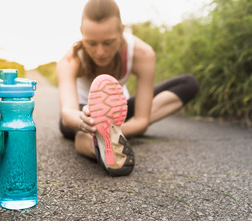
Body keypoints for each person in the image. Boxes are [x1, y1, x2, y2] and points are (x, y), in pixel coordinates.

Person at [56, 0, 199, 176]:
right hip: (82, 117)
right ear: (81, 33)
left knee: (188, 83)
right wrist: (85, 123)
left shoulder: (142, 53)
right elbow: (66, 114)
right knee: (84, 131)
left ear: (122, 30)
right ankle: (99, 146)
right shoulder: (70, 60)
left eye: (108, 43)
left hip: (118, 115)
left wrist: (112, 128)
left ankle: (108, 137)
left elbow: (141, 121)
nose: (100, 52)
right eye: (91, 43)